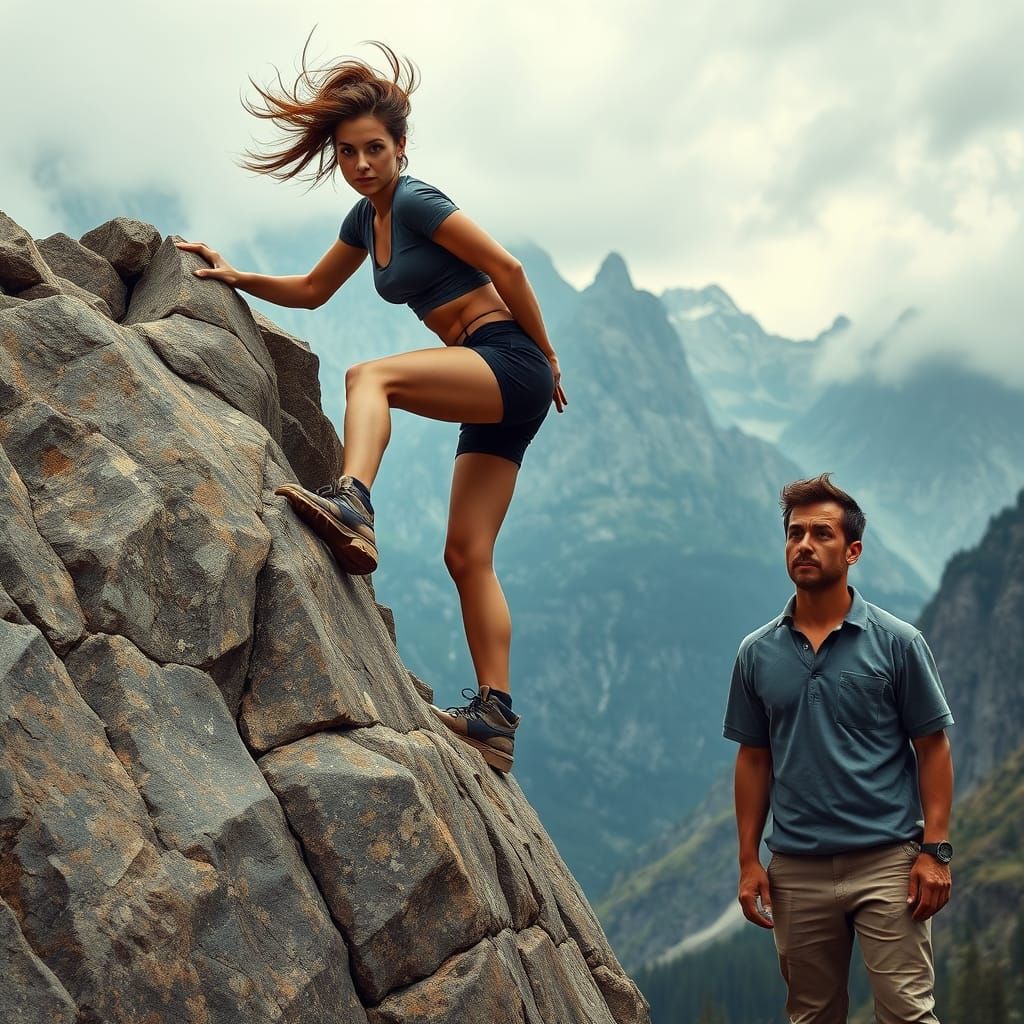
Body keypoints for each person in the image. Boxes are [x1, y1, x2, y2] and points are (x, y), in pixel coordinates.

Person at [175, 41, 566, 775]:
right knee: (466, 554)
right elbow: (312, 290)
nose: (361, 164)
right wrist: (233, 275)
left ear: (400, 149)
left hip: (507, 360)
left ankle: (353, 500)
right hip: (492, 379)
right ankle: (495, 717)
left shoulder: (416, 201)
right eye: (348, 152)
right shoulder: (366, 219)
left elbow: (506, 267)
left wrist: (546, 356)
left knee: (370, 378)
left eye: (374, 150)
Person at [723, 473, 955, 1024]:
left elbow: (933, 747)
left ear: (853, 551)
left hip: (887, 862)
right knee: (812, 1015)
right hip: (796, 868)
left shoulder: (898, 643)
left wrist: (936, 851)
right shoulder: (756, 653)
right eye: (795, 533)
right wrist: (749, 861)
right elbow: (753, 758)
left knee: (907, 1014)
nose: (804, 545)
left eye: (821, 534)